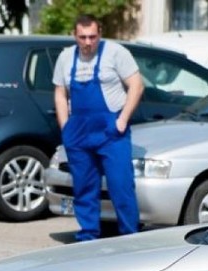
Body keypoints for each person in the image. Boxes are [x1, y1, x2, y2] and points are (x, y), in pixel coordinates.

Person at [53, 14, 144, 241]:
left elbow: (137, 86)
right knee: (84, 189)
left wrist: (122, 120)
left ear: (100, 34)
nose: (87, 42)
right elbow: (60, 93)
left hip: (111, 132)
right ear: (74, 36)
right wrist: (65, 127)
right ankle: (88, 237)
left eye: (92, 37)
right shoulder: (65, 57)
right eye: (82, 37)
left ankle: (129, 238)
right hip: (79, 133)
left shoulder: (116, 53)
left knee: (120, 186)